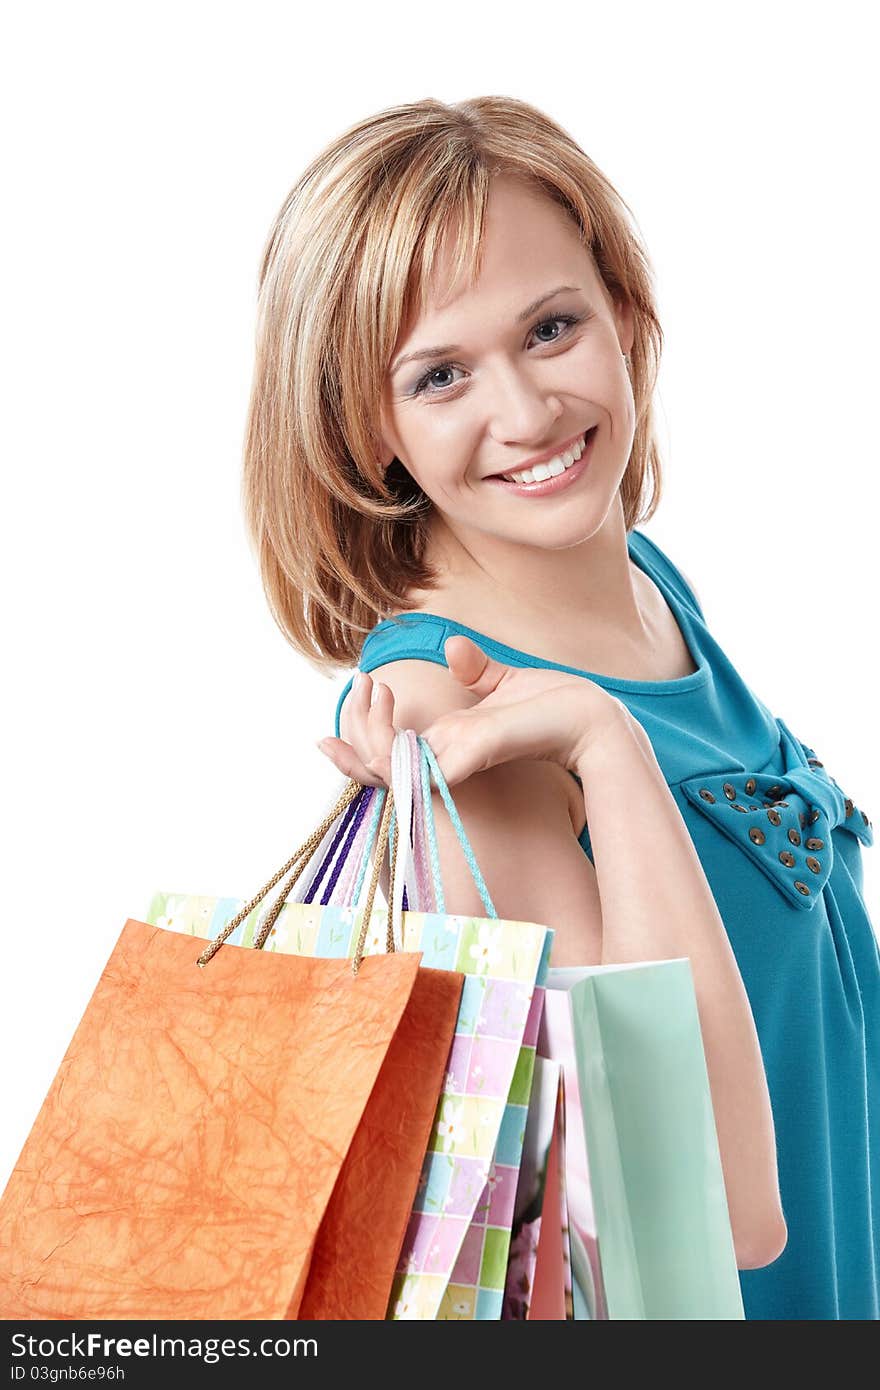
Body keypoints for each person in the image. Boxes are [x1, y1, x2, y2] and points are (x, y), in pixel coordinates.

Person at [240, 95, 878, 1320]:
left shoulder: (644, 580)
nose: (528, 416)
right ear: (370, 432)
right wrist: (607, 747)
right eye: (439, 374)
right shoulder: (448, 705)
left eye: (549, 327)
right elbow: (708, 1211)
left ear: (625, 317)